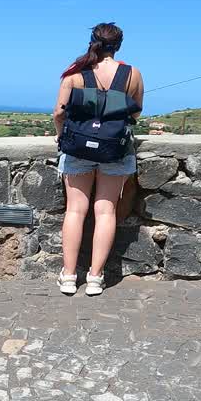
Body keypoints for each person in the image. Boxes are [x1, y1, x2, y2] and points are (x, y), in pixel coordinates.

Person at [52, 22, 144, 296]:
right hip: (114, 149)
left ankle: (69, 276)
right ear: (118, 45)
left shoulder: (75, 73)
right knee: (105, 212)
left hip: (78, 147)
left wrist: (61, 137)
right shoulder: (132, 74)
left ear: (92, 41)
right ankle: (95, 277)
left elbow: (59, 113)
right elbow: (135, 113)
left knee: (75, 211)